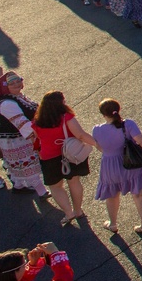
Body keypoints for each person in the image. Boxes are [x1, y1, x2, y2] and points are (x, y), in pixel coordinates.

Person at [91, 98, 142, 235]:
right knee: (139, 194)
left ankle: (113, 224)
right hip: (131, 164)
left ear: (103, 114)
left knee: (112, 195)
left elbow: (100, 148)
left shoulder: (97, 130)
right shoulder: (128, 124)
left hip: (110, 167)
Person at [31, 91, 97, 226]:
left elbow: (36, 139)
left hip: (49, 157)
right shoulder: (66, 117)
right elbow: (80, 135)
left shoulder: (37, 121)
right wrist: (98, 144)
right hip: (70, 154)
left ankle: (68, 212)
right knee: (74, 182)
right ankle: (78, 211)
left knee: (55, 187)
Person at [0, 71, 47, 196]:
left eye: (18, 80)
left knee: (20, 165)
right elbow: (22, 123)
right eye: (11, 83)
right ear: (5, 86)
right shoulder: (6, 103)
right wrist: (37, 137)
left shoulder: (19, 96)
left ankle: (19, 185)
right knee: (28, 163)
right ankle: (41, 191)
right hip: (16, 139)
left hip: (21, 137)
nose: (16, 84)